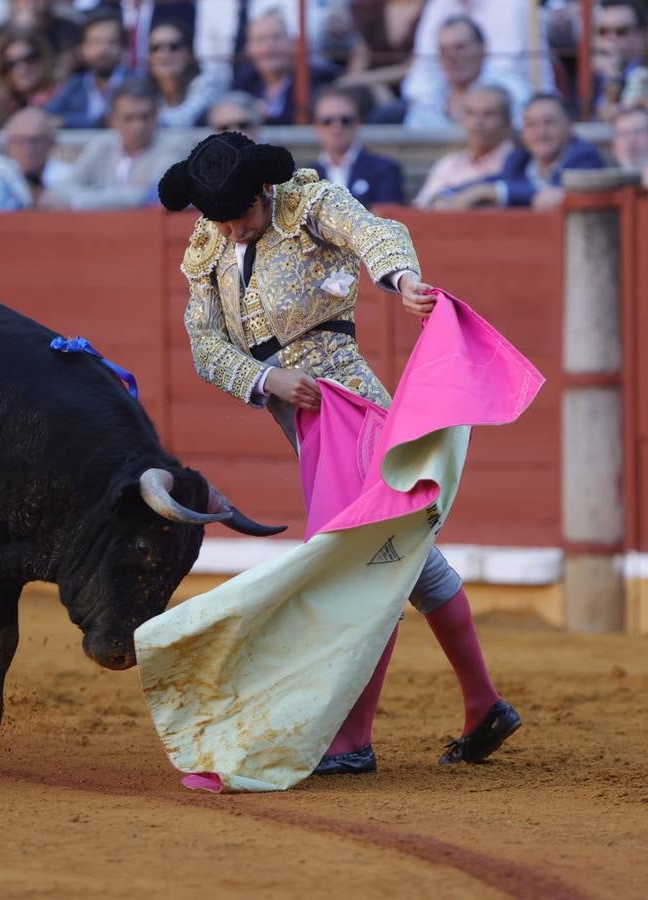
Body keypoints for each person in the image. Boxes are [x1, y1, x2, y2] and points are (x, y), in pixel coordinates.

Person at [158, 131, 522, 775]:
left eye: (240, 216)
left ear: (264, 192)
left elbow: (372, 233)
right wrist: (268, 381)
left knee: (365, 562)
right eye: (219, 219)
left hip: (347, 407)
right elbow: (206, 348)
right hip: (298, 419)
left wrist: (404, 279)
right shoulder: (209, 245)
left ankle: (354, 739)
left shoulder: (309, 204)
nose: (234, 232)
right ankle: (483, 704)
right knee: (400, 559)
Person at [433, 93, 605, 211]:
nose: (540, 133)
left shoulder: (584, 157)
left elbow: (551, 197)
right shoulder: (521, 158)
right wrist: (447, 195)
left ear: (569, 127)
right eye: (531, 125)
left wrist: (493, 191)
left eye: (549, 123)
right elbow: (494, 181)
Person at [46, 77, 185, 210]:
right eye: (129, 118)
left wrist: (85, 199)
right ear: (113, 120)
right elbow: (60, 189)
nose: (138, 126)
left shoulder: (173, 146)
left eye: (145, 116)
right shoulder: (102, 145)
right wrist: (90, 199)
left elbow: (151, 194)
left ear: (156, 116)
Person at [403, 14, 529, 130]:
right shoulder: (427, 95)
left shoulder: (512, 90)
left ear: (483, 48)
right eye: (443, 50)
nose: (451, 57)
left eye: (460, 48)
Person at [232, 8, 339, 127]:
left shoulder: (317, 80)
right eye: (260, 39)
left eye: (276, 37)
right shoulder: (244, 84)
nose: (269, 46)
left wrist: (263, 117)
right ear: (249, 49)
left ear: (293, 43)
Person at [413, 83, 515, 207]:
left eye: (489, 114)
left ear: (507, 121)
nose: (478, 122)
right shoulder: (447, 164)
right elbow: (422, 208)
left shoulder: (519, 163)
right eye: (471, 113)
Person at [309, 86, 404, 208]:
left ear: (358, 123)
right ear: (316, 126)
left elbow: (390, 218)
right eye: (327, 121)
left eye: (345, 120)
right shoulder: (305, 177)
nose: (337, 127)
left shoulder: (384, 170)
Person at [48, 7, 133, 128]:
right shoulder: (75, 84)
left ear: (123, 48)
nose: (103, 50)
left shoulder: (138, 81)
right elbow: (48, 117)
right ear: (82, 49)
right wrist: (99, 122)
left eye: (112, 42)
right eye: (95, 42)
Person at [146, 19, 221, 127]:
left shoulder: (207, 83)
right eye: (155, 48)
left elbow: (182, 121)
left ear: (189, 52)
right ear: (149, 57)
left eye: (174, 46)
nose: (164, 55)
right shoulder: (145, 88)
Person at [0, 29, 55, 126]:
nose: (22, 69)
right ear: (2, 68)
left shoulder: (63, 95)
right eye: (11, 63)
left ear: (43, 58)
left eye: (29, 59)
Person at [2, 106, 66, 204]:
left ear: (51, 142)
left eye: (35, 140)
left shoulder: (68, 179)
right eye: (21, 141)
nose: (29, 149)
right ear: (8, 144)